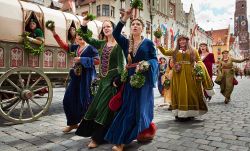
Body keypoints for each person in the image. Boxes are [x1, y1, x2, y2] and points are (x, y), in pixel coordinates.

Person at [104, 8, 158, 151]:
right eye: (133, 24)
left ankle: (130, 138)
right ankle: (121, 140)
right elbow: (115, 33)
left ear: (142, 28)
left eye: (138, 24)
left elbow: (154, 60)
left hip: (143, 79)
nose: (135, 26)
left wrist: (146, 65)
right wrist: (125, 18)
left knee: (139, 109)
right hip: (130, 79)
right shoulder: (126, 42)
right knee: (127, 108)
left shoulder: (148, 43)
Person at [75, 19, 125, 148]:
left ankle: (97, 139)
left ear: (114, 28)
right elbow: (87, 38)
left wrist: (118, 80)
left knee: (103, 108)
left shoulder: (119, 45)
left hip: (112, 82)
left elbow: (121, 65)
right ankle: (105, 135)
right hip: (103, 81)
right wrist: (84, 24)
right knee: (96, 107)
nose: (106, 29)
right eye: (104, 27)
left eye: (108, 26)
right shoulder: (101, 43)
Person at [49, 27, 100, 133]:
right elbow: (64, 46)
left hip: (87, 77)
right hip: (76, 76)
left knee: (85, 100)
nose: (80, 38)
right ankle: (72, 123)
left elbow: (97, 61)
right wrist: (54, 33)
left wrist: (82, 59)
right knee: (68, 99)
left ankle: (86, 124)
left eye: (83, 36)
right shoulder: (76, 47)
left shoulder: (91, 48)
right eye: (78, 36)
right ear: (76, 38)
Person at [156, 35, 213, 120]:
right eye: (180, 40)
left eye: (184, 40)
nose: (182, 42)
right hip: (177, 74)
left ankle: (190, 112)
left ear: (187, 41)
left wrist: (199, 68)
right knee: (179, 92)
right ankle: (179, 113)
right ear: (178, 42)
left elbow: (199, 61)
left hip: (190, 74)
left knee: (191, 92)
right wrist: (159, 45)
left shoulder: (193, 50)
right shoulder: (175, 51)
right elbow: (165, 52)